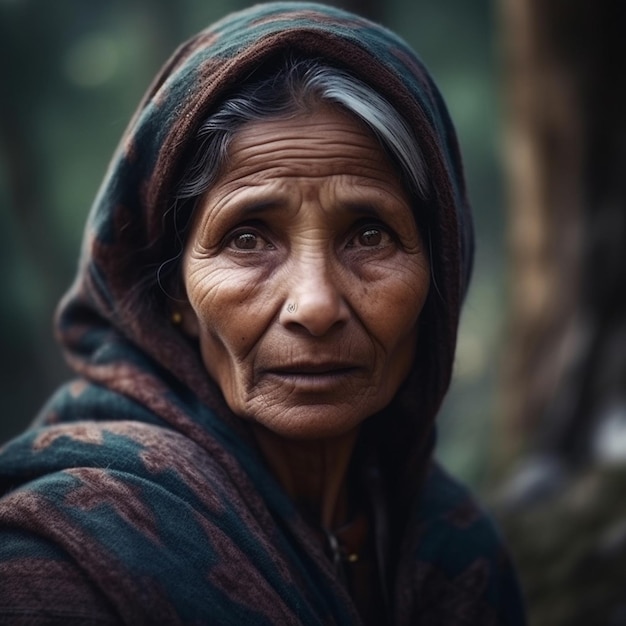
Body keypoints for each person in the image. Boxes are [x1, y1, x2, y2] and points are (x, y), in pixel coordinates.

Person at [0, 2, 525, 624]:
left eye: (368, 235)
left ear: (440, 277)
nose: (316, 304)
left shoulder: (455, 546)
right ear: (174, 297)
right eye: (248, 239)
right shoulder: (63, 563)